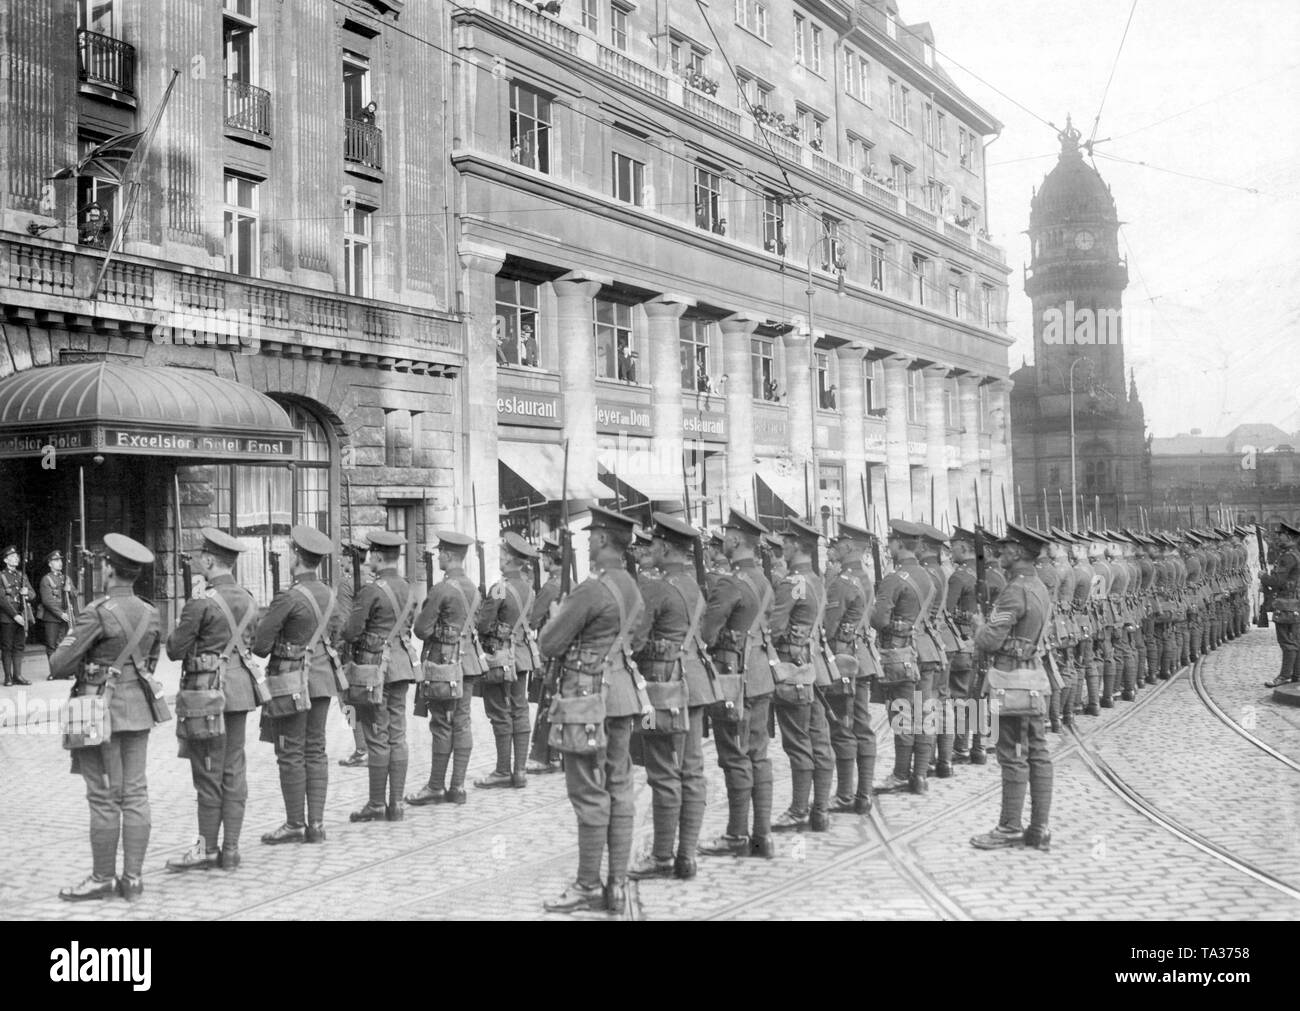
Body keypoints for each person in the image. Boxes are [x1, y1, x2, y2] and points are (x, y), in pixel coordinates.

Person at [540, 507, 652, 915]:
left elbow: (550, 644)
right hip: (623, 695)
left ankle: (588, 884)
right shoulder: (633, 588)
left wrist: (556, 619)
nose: (588, 545)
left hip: (588, 699)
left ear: (603, 541)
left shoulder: (591, 589)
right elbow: (636, 639)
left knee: (588, 789)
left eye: (591, 539)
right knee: (620, 787)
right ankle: (617, 884)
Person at [53, 534, 162, 901]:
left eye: (102, 565)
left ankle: (102, 878)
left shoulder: (97, 611)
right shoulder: (150, 611)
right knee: (135, 793)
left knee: (102, 796)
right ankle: (133, 879)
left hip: (96, 713)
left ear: (109, 569)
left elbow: (58, 664)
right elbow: (151, 661)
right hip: (138, 710)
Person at [164, 528, 261, 873]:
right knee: (233, 768)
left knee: (207, 771)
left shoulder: (201, 602)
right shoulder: (250, 598)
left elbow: (174, 649)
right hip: (239, 691)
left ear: (209, 560)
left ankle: (206, 849)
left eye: (200, 557)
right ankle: (231, 850)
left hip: (206, 694)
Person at [628, 514, 709, 881]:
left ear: (662, 547)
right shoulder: (693, 585)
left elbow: (635, 640)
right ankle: (687, 855)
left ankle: (662, 856)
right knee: (691, 769)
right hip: (693, 683)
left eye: (654, 545)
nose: (650, 550)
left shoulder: (657, 588)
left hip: (662, 686)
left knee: (662, 770)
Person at [255, 525, 342, 846]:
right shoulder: (330, 595)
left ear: (296, 556)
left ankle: (294, 824)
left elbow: (261, 645)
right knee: (316, 749)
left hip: (290, 679)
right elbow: (339, 632)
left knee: (291, 751)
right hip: (321, 678)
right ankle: (316, 825)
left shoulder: (289, 597)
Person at [970, 522, 1054, 851]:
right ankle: (1039, 828)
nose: (1000, 552)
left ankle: (1009, 827)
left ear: (1017, 552)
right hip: (1032, 678)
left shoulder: (1015, 589)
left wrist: (979, 626)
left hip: (1012, 680)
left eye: (1005, 548)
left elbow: (992, 640)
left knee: (1013, 753)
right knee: (1037, 752)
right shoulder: (1039, 586)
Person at [699, 510, 776, 858]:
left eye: (727, 534)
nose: (724, 539)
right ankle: (762, 835)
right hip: (761, 676)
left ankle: (735, 834)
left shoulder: (731, 583)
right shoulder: (762, 579)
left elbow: (706, 634)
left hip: (735, 679)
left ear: (734, 539)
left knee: (734, 756)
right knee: (758, 756)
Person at [343, 530, 417, 823]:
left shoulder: (372, 591)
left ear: (376, 556)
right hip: (401, 666)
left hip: (374, 669)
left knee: (376, 735)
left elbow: (351, 632)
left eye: (371, 554)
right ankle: (396, 804)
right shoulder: (408, 588)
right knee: (397, 735)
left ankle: (376, 804)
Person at [408, 530, 483, 806]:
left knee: (441, 723)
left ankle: (436, 787)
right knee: (462, 723)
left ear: (449, 556)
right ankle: (458, 786)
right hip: (469, 661)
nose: (438, 556)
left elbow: (421, 628)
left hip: (444, 662)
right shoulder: (473, 588)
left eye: (441, 552)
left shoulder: (441, 589)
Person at [770, 518, 834, 831]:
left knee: (798, 743)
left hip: (792, 670)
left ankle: (798, 810)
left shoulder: (792, 582)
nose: (781, 545)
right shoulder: (817, 579)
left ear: (795, 544)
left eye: (785, 541)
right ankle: (820, 810)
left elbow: (773, 628)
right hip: (814, 669)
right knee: (819, 741)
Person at [870, 520, 936, 794]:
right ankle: (919, 775)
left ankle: (900, 774)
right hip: (925, 649)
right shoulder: (927, 576)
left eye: (890, 543)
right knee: (923, 713)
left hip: (900, 653)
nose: (888, 548)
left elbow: (877, 619)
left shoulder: (894, 578)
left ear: (898, 544)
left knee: (902, 714)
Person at [473, 532, 538, 790]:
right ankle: (520, 771)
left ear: (510, 559)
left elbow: (483, 625)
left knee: (500, 712)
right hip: (521, 657)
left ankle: (502, 770)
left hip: (500, 657)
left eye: (501, 554)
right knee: (520, 710)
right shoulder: (529, 589)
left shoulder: (499, 588)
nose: (498, 558)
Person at [824, 521, 876, 814]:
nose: (832, 549)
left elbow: (829, 628)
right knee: (862, 725)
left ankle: (845, 794)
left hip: (842, 660)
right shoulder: (863, 577)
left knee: (841, 727)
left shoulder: (843, 581)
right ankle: (864, 794)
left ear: (846, 547)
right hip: (862, 658)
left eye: (835, 544)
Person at [526, 535, 564, 774]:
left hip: (550, 651)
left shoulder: (550, 586)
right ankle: (558, 754)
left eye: (544, 557)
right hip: (565, 652)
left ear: (550, 558)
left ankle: (546, 756)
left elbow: (533, 618)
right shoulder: (569, 581)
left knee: (547, 703)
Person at [336, 542, 371, 767]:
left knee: (346, 701)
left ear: (351, 560)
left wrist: (337, 650)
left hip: (351, 652)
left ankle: (361, 748)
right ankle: (374, 745)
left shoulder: (347, 584)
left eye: (343, 558)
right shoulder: (376, 580)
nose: (341, 562)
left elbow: (343, 621)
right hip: (374, 651)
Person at [1261, 521, 1300, 687]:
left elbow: (1278, 581)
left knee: (1286, 641)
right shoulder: (1294, 554)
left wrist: (1263, 576)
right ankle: (1296, 674)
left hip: (1287, 603)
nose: (1278, 537)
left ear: (1289, 537)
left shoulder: (1288, 557)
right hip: (1293, 602)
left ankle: (1284, 676)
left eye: (1281, 534)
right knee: (1295, 640)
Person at [0, 545, 35, 686]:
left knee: (19, 647)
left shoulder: (22, 575)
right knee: (7, 647)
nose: (16, 559)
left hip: (23, 615)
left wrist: (26, 593)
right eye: (13, 557)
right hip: (7, 617)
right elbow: (1, 599)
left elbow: (33, 594)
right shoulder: (1, 576)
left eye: (17, 557)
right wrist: (15, 616)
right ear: (5, 560)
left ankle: (18, 675)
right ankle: (8, 677)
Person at [40, 549, 75, 664]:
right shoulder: (46, 579)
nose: (60, 562)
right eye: (56, 560)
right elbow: (47, 600)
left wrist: (69, 590)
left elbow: (75, 594)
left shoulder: (66, 578)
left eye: (60, 560)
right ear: (50, 564)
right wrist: (61, 614)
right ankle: (53, 671)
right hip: (52, 618)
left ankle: (63, 670)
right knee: (51, 645)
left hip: (66, 617)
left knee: (65, 644)